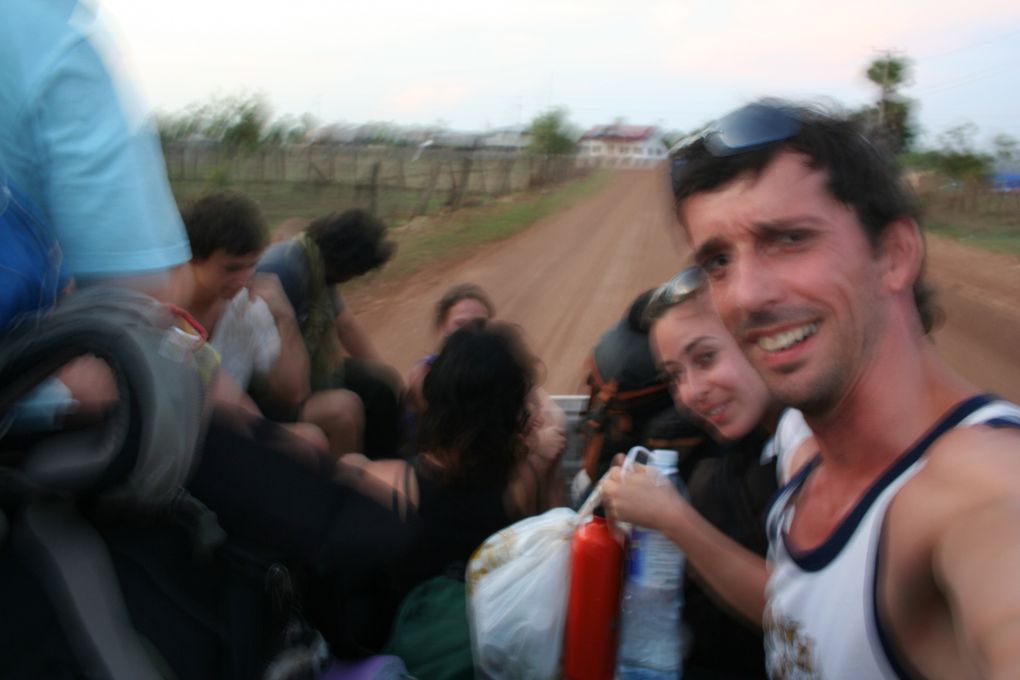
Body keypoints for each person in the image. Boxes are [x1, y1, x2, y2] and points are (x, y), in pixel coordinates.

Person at [669, 100, 1020, 678]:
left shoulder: (978, 489)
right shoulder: (806, 456)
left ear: (894, 254)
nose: (745, 296)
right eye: (718, 261)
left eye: (788, 238)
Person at [604, 268, 809, 678]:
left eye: (706, 358)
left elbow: (807, 619)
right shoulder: (755, 441)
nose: (689, 394)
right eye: (674, 376)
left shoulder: (809, 434)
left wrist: (672, 518)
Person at [337, 322, 563, 647]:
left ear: (435, 396)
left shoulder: (388, 484)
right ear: (511, 412)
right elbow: (552, 553)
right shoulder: (523, 482)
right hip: (487, 649)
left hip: (407, 654)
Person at [183, 191, 363, 454]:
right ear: (193, 258)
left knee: (322, 430)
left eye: (252, 266)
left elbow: (294, 393)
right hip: (186, 435)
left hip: (232, 426)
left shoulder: (248, 306)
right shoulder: (166, 306)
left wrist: (285, 318)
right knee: (306, 442)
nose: (244, 279)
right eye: (231, 269)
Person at [257, 210, 404, 458]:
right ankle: (350, 482)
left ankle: (382, 465)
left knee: (382, 384)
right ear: (346, 265)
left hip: (307, 366)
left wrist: (395, 382)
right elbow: (272, 371)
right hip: (270, 388)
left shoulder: (317, 264)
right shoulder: (286, 272)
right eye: (357, 273)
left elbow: (345, 324)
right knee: (347, 410)